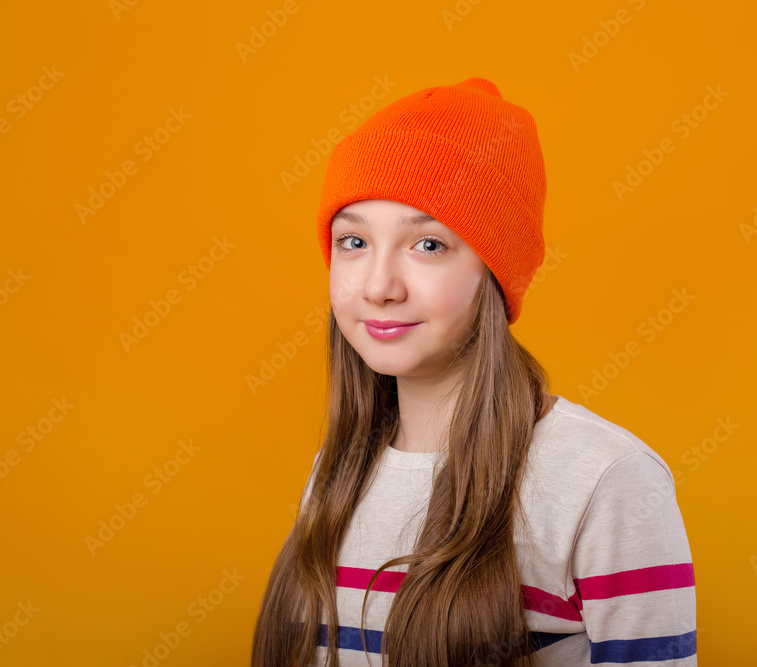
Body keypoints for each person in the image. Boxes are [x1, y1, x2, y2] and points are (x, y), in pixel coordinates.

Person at [252, 77, 696, 666]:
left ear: (493, 272)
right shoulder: (336, 471)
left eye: (429, 245)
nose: (379, 287)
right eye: (353, 241)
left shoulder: (604, 479)